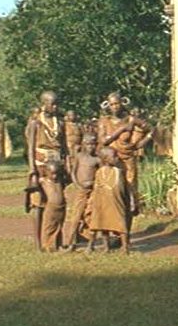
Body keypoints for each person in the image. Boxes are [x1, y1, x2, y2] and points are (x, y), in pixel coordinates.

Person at [97, 93, 151, 236]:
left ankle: (125, 233)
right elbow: (103, 141)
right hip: (110, 162)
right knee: (111, 194)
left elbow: (150, 129)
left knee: (128, 194)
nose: (115, 107)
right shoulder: (104, 121)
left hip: (128, 160)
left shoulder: (131, 119)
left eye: (117, 103)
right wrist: (121, 129)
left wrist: (139, 144)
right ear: (108, 105)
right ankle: (111, 231)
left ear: (122, 103)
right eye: (112, 104)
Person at [25, 91, 68, 251]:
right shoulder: (35, 123)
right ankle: (38, 243)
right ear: (44, 104)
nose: (55, 106)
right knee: (38, 204)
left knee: (58, 202)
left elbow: (64, 147)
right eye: (52, 103)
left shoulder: (60, 123)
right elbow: (30, 148)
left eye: (57, 103)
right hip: (40, 165)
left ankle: (56, 240)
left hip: (56, 167)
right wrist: (32, 170)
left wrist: (67, 166)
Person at [86, 147, 132, 254]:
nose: (117, 158)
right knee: (102, 224)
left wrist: (129, 201)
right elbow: (96, 189)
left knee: (121, 224)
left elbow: (123, 188)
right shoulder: (99, 172)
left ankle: (125, 248)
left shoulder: (118, 172)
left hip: (116, 202)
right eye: (114, 156)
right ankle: (106, 247)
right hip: (101, 203)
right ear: (106, 159)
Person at [63, 133, 100, 251]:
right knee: (75, 217)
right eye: (88, 144)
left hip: (93, 192)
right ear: (83, 144)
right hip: (80, 190)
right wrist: (77, 184)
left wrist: (94, 184)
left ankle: (91, 245)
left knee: (91, 217)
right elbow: (73, 172)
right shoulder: (79, 156)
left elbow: (100, 176)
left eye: (93, 144)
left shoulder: (97, 159)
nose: (91, 147)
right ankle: (71, 244)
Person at [34, 159, 67, 252]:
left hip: (61, 207)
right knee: (49, 226)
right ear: (46, 171)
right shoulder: (43, 181)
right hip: (51, 208)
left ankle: (59, 244)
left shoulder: (60, 180)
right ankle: (47, 245)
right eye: (52, 173)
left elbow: (68, 178)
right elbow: (35, 177)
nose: (54, 176)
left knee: (59, 226)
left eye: (56, 173)